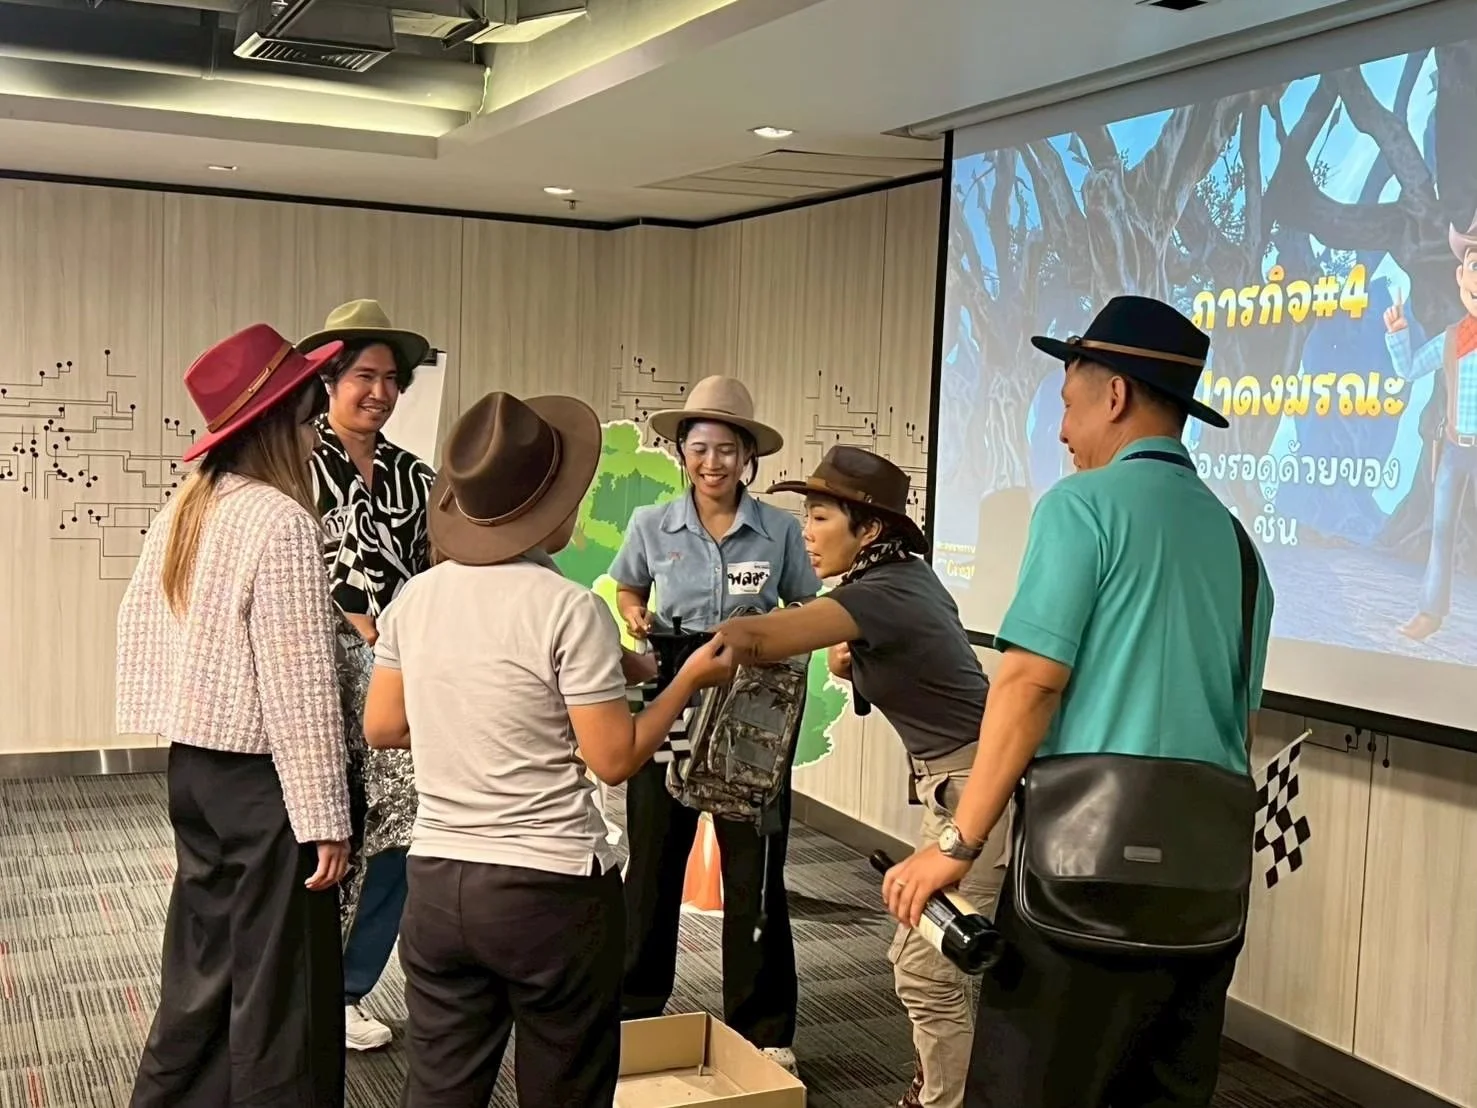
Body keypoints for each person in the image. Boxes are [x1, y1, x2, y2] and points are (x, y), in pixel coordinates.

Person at [883, 296, 1275, 1108]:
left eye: (1066, 405)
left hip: (1078, 878)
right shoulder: (1241, 547)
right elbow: (1236, 719)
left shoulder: (1079, 507)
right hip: (1205, 890)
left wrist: (957, 842)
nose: (1061, 432)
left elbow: (1028, 683)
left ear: (1116, 397)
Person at [361, 390, 735, 1107]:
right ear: (552, 512)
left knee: (440, 1088)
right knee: (564, 1084)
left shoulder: (416, 597)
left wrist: (481, 722)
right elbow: (613, 759)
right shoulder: (570, 608)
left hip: (437, 881)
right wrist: (686, 678)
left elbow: (384, 726)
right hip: (549, 892)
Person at [713, 444, 1010, 1108]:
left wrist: (685, 655)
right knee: (925, 963)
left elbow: (760, 639)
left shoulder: (882, 590)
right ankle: (943, 1085)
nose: (805, 533)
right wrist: (851, 668)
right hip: (959, 784)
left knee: (929, 972)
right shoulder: (899, 579)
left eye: (819, 517)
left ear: (868, 530)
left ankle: (944, 1099)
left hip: (978, 791)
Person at [117, 323, 351, 1107]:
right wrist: (326, 814)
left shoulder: (190, 504)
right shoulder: (281, 521)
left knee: (205, 968)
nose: (318, 434)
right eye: (312, 419)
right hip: (264, 784)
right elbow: (300, 685)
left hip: (194, 767)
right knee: (281, 989)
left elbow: (139, 625)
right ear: (277, 424)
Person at [609, 376, 821, 1071]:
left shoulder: (781, 530)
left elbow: (806, 605)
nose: (712, 463)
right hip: (671, 686)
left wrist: (768, 638)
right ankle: (634, 1007)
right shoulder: (650, 524)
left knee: (754, 869)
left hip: (752, 704)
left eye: (726, 450)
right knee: (652, 861)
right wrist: (636, 613)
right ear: (681, 453)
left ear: (747, 457)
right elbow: (629, 585)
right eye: (699, 449)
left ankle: (764, 1029)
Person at [300, 298, 433, 1051]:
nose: (377, 391)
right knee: (320, 834)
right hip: (311, 677)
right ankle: (304, 982)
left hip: (395, 674)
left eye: (389, 378)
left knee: (397, 830)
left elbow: (440, 567)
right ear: (328, 379)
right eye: (361, 375)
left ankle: (348, 985)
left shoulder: (417, 477)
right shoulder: (290, 464)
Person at [1383, 212, 1477, 641]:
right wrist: (1398, 333)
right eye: (1475, 266)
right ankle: (1430, 612)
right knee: (1440, 531)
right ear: (1461, 275)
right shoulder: (1452, 336)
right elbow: (1407, 370)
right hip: (1457, 448)